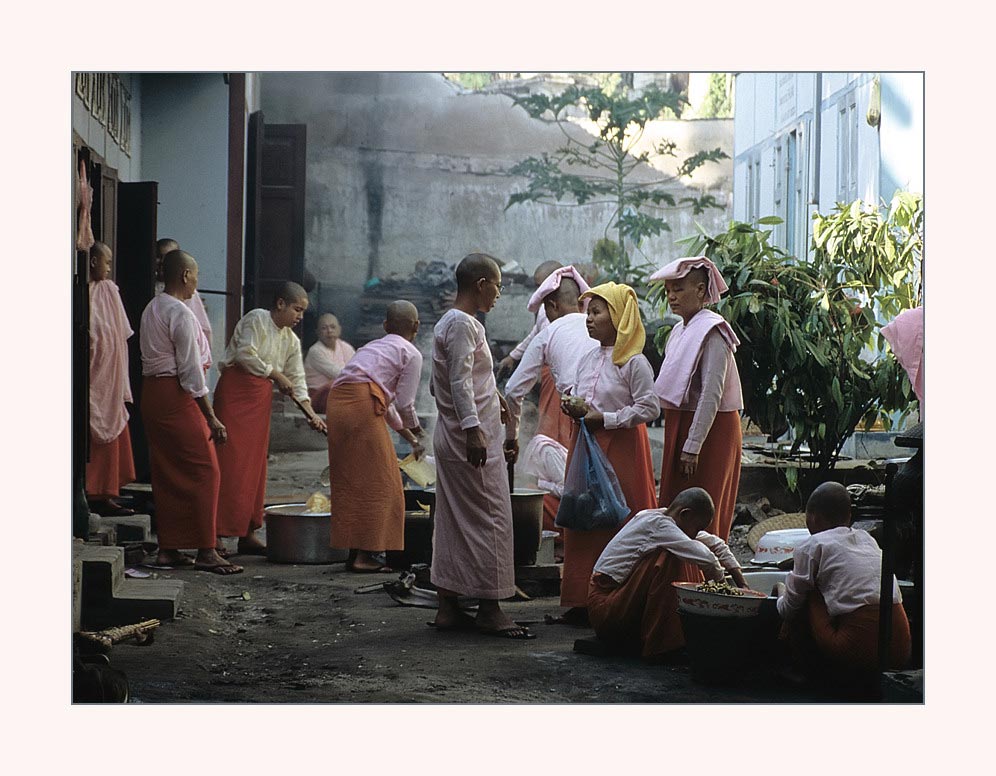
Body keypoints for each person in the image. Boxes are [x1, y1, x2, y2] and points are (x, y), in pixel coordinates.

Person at [429, 253, 534, 639]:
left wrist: (495, 399)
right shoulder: (462, 324)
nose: (498, 294)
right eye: (498, 286)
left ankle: (448, 606)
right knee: (492, 518)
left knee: (454, 521)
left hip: (458, 434)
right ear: (481, 284)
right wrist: (473, 428)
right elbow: (458, 381)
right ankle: (489, 608)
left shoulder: (450, 324)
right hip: (469, 441)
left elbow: (442, 383)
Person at [556, 282, 660, 626]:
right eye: (588, 312)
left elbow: (649, 408)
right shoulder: (588, 357)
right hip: (587, 445)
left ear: (618, 318)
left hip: (622, 451)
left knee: (618, 521)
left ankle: (618, 598)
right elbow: (578, 392)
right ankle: (580, 598)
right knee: (584, 518)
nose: (588, 319)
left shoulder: (634, 362)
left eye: (597, 312)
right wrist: (571, 405)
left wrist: (608, 418)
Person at [139, 250, 241, 573]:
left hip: (152, 395)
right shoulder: (181, 313)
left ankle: (168, 548)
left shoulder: (151, 308)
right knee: (205, 470)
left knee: (167, 470)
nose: (197, 282)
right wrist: (211, 416)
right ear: (185, 276)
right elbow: (190, 372)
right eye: (196, 275)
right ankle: (206, 549)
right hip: (177, 396)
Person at [213, 282, 326, 555]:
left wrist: (311, 413)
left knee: (255, 468)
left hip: (259, 402)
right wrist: (275, 374)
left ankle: (248, 532)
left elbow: (296, 379)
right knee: (230, 464)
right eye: (297, 309)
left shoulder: (291, 340)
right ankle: (215, 534)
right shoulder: (257, 319)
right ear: (280, 304)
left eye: (302, 311)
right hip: (236, 394)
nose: (300, 316)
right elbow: (244, 355)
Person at [587, 487, 747, 660]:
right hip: (605, 608)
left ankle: (666, 635)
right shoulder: (658, 525)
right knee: (669, 557)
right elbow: (707, 559)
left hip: (614, 600)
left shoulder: (666, 520)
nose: (695, 533)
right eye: (697, 527)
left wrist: (742, 584)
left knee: (685, 548)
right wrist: (725, 594)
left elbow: (715, 544)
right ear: (684, 514)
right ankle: (661, 644)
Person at [775, 482, 911, 682]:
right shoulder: (867, 540)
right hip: (901, 649)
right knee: (822, 585)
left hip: (857, 651)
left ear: (812, 516)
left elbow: (788, 608)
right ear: (849, 517)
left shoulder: (812, 545)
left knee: (807, 590)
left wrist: (779, 591)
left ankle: (801, 668)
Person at [649, 256, 744, 541]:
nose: (671, 296)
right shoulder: (679, 330)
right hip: (683, 423)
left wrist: (693, 446)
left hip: (711, 429)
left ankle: (704, 577)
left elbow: (711, 393)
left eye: (678, 289)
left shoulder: (714, 330)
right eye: (668, 290)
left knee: (702, 508)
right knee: (675, 507)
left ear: (701, 290)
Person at [327, 301, 425, 573]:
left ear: (385, 326)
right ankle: (366, 555)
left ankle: (354, 552)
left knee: (352, 477)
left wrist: (410, 438)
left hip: (338, 402)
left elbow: (385, 405)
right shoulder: (411, 353)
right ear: (416, 326)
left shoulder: (372, 347)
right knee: (383, 481)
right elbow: (404, 404)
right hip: (360, 404)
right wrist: (418, 431)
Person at [503, 267, 596, 551]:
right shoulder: (597, 323)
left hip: (585, 417)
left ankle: (575, 548)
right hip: (616, 418)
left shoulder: (550, 330)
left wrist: (511, 437)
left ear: (552, 306)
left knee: (582, 488)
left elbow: (512, 390)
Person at [496, 261, 572, 447]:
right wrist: (513, 356)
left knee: (559, 424)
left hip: (560, 375)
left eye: (542, 285)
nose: (539, 290)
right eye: (537, 286)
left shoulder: (556, 309)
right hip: (548, 374)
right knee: (550, 421)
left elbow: (543, 342)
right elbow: (535, 334)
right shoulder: (545, 309)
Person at [86, 241, 137, 517]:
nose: (109, 268)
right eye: (106, 262)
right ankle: (90, 491)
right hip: (93, 371)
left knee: (112, 418)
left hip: (110, 370)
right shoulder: (85, 291)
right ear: (93, 262)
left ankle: (106, 492)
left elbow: (121, 333)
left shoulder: (109, 291)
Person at [155, 238, 213, 349]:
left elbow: (202, 330)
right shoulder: (148, 287)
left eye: (167, 258)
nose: (162, 262)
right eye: (158, 257)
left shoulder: (188, 292)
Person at [304, 313, 357, 413]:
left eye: (333, 327)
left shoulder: (346, 347)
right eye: (324, 328)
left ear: (339, 329)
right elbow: (339, 374)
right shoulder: (315, 351)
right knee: (336, 385)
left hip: (342, 391)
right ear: (318, 332)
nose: (329, 331)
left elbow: (357, 370)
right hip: (319, 395)